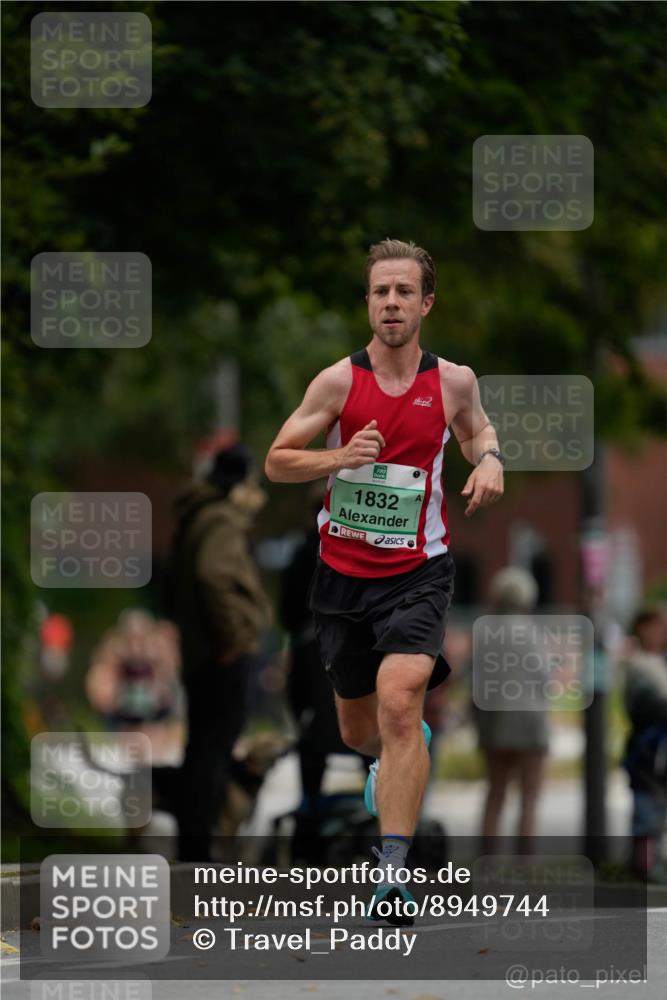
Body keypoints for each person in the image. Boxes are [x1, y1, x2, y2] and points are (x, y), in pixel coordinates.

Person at [265, 238, 504, 923]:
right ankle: (394, 760)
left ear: (425, 303)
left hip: (417, 571)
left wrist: (488, 461)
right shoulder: (337, 382)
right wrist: (340, 454)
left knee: (402, 705)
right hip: (340, 576)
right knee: (356, 728)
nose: (391, 302)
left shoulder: (452, 381)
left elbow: (475, 431)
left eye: (403, 291)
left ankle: (391, 873)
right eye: (380, 292)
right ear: (368, 304)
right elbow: (278, 461)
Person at [168, 441, 272, 861]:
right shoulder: (221, 520)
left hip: (200, 652)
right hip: (220, 655)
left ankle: (193, 844)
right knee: (213, 749)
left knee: (201, 748)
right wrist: (231, 638)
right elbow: (213, 576)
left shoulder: (196, 516)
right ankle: (200, 848)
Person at [471, 567, 548, 855]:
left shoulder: (484, 632)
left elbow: (472, 680)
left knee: (495, 794)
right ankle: (523, 861)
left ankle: (487, 859)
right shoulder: (534, 633)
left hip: (493, 725)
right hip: (531, 726)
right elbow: (544, 678)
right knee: (529, 797)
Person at [621, 608, 667, 881]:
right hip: (647, 749)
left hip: (657, 750)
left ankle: (650, 862)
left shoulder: (656, 662)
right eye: (658, 626)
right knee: (648, 809)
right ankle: (644, 866)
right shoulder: (639, 665)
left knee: (656, 808)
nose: (663, 632)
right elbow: (651, 707)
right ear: (642, 628)